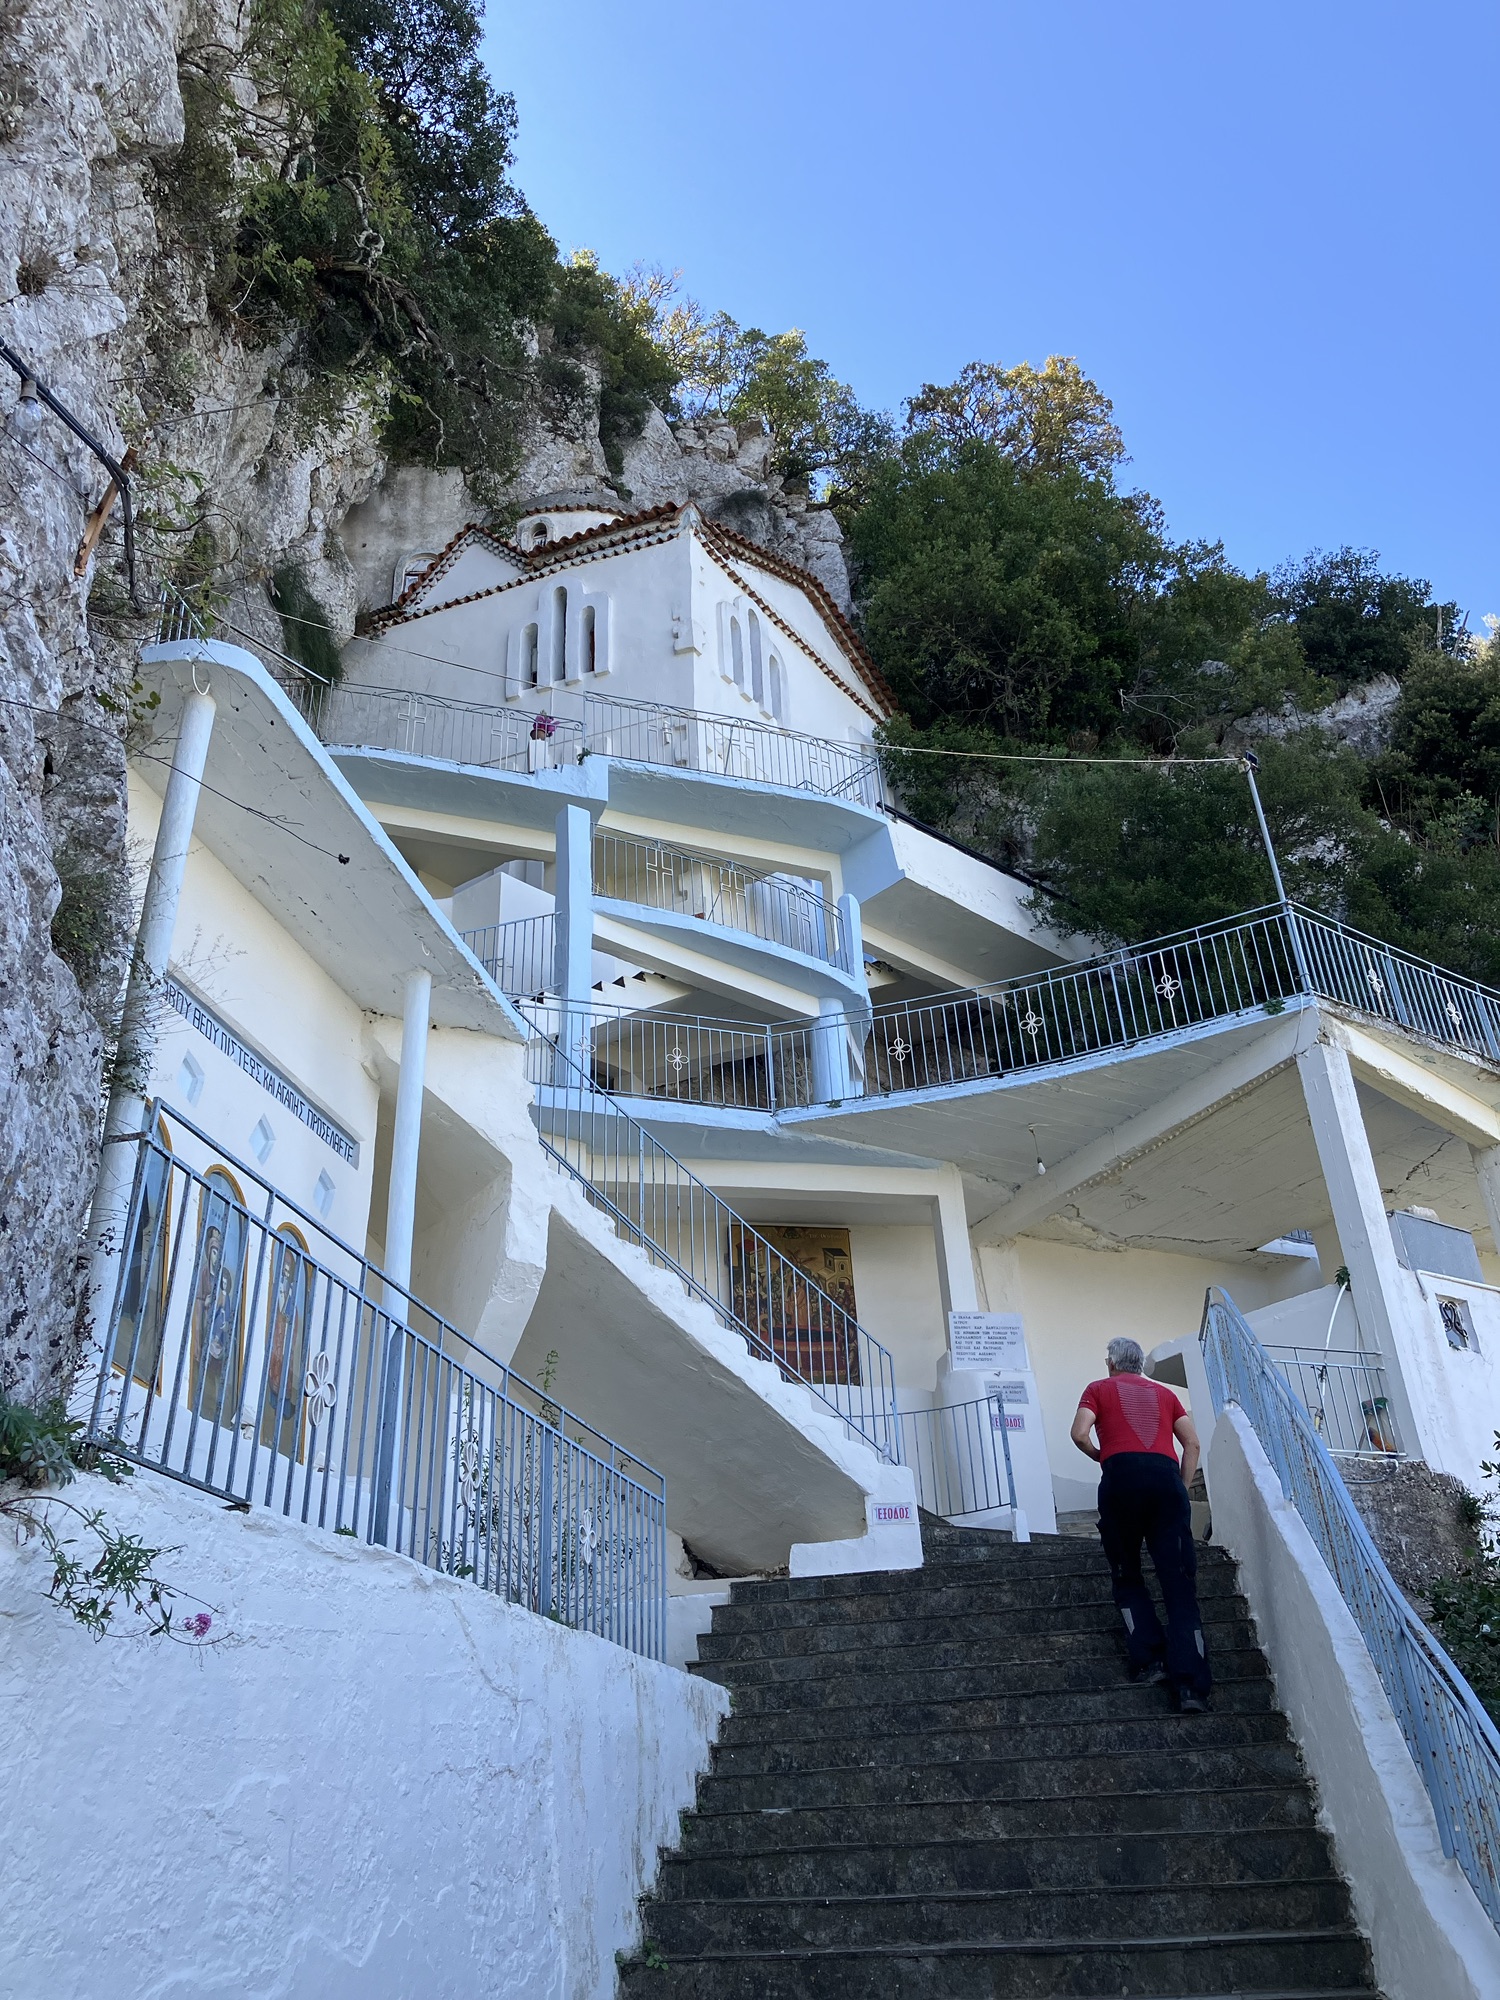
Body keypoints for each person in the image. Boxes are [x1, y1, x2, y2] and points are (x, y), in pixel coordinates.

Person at [1070, 1336, 1211, 1712]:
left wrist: (1101, 1455)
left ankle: (1150, 1661)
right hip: (1167, 1482)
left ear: (1111, 1363)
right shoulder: (1166, 1395)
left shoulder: (1098, 1389)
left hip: (1122, 1480)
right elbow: (1193, 1444)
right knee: (1179, 1585)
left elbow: (1079, 1433)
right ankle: (1192, 1687)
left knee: (1127, 1573)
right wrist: (1181, 1489)